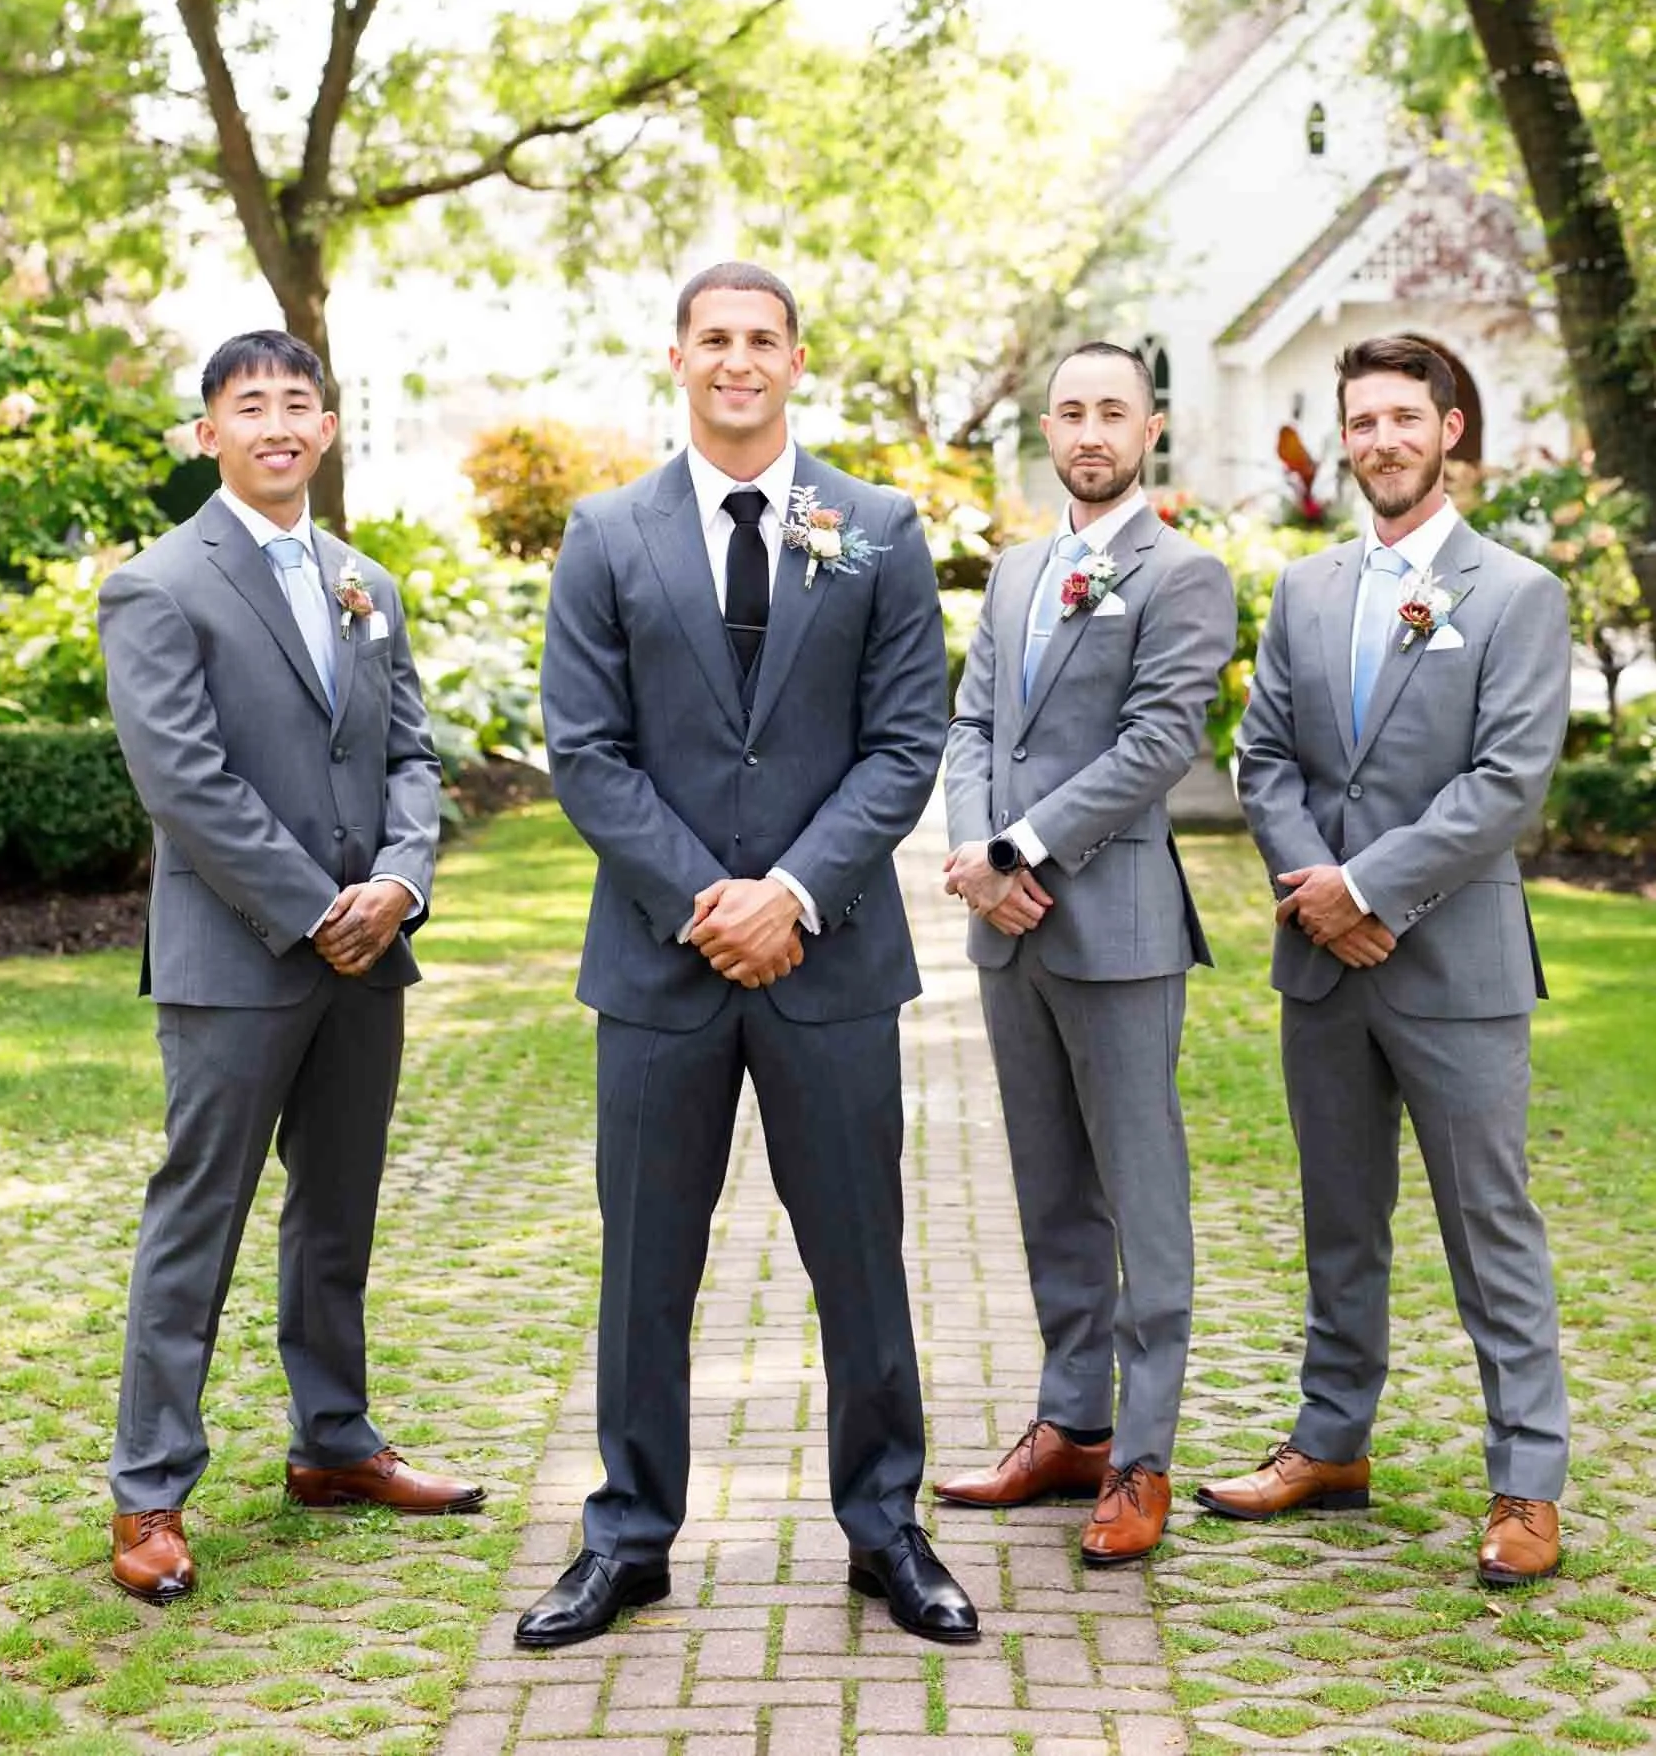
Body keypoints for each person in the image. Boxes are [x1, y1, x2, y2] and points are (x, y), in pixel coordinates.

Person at [522, 261, 976, 1650]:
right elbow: (586, 751)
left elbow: (904, 740)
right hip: (657, 968)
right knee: (643, 1269)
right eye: (712, 337)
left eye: (761, 338)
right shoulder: (606, 533)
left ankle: (885, 1528)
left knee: (859, 1258)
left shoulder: (874, 527)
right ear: (676, 358)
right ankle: (626, 1537)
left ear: (795, 360)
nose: (737, 359)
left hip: (827, 961)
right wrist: (704, 901)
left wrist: (789, 893)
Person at [97, 331, 480, 1605]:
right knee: (196, 1218)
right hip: (236, 958)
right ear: (209, 433)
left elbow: (412, 757)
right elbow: (183, 781)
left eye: (296, 402)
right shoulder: (158, 585)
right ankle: (150, 1490)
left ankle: (333, 1442)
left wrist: (400, 884)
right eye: (248, 404)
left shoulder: (367, 581)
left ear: (326, 427)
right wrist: (318, 908)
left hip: (367, 954)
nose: (275, 423)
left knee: (337, 1209)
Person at [1198, 333, 1572, 1588]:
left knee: (1489, 1229)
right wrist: (1319, 895)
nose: (1380, 440)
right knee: (1337, 1220)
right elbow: (1263, 758)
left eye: (1403, 417)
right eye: (1360, 421)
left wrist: (1365, 889)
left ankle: (1525, 1483)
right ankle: (1328, 1444)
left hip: (1453, 969)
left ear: (1448, 429)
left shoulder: (1513, 593)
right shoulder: (1304, 590)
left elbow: (1505, 782)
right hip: (1322, 965)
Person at [937, 341, 1236, 1566]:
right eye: (1069, 411)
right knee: (1049, 1190)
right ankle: (1071, 1424)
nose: (1090, 430)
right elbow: (971, 723)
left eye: (1112, 410)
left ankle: (1142, 1456)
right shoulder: (1015, 568)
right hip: (1007, 928)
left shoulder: (1182, 572)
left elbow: (1158, 740)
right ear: (1047, 430)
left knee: (1138, 1199)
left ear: (1149, 429)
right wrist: (972, 855)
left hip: (1113, 929)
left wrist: (1020, 847)